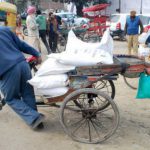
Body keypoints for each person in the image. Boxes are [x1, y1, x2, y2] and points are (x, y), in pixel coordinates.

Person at [0, 26, 45, 130]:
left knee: (10, 98)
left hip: (7, 70)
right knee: (27, 93)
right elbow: (21, 44)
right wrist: (36, 54)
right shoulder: (4, 30)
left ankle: (34, 118)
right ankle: (37, 123)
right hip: (22, 64)